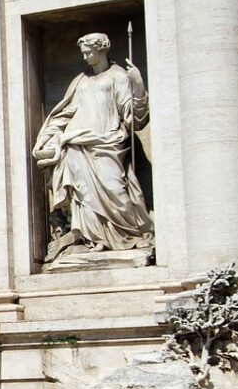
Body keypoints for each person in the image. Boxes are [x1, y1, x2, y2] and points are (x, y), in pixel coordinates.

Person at [32, 32, 152, 260]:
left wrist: (137, 84)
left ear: (102, 50)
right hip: (77, 143)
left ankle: (125, 234)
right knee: (82, 193)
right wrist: (48, 137)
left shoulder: (118, 76)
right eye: (83, 52)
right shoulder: (80, 81)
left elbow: (135, 118)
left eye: (89, 52)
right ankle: (91, 239)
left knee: (114, 188)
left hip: (109, 142)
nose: (85, 56)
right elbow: (64, 113)